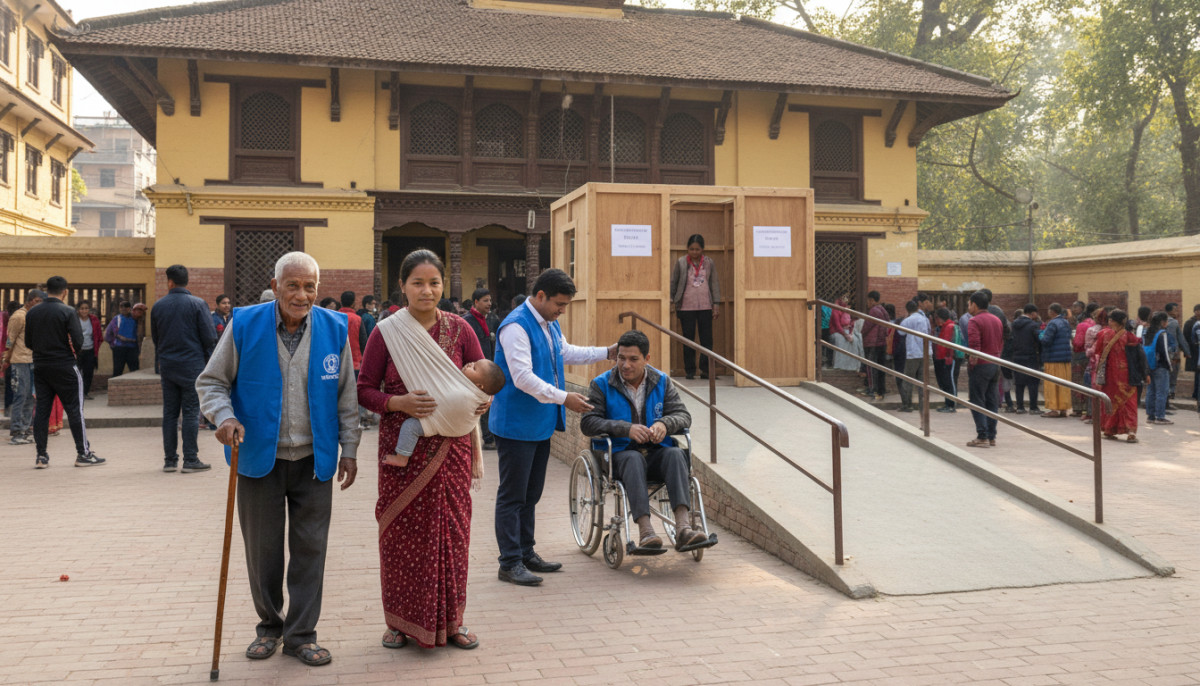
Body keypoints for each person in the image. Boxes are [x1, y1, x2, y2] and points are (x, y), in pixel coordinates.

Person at [196, 251, 360, 667]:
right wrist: (225, 416)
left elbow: (347, 397)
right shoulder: (245, 323)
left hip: (315, 459)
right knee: (263, 551)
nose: (301, 295)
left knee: (311, 551)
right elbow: (212, 381)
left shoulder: (334, 328)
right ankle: (269, 626)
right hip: (256, 457)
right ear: (275, 285)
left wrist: (351, 449)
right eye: (293, 285)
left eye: (309, 287)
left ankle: (301, 634)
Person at [355, 249, 488, 650]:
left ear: (443, 286)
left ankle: (453, 621)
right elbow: (364, 390)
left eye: (434, 283)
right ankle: (399, 622)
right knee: (401, 535)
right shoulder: (387, 331)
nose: (426, 291)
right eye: (418, 283)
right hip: (403, 452)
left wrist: (485, 401)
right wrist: (398, 404)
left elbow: (483, 380)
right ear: (402, 285)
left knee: (453, 533)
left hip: (453, 450)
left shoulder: (462, 330)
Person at [490, 268, 616, 586]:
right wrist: (563, 398)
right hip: (516, 424)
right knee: (513, 495)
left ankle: (526, 551)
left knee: (531, 493)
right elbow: (522, 377)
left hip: (539, 423)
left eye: (566, 306)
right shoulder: (516, 326)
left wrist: (607, 353)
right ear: (541, 295)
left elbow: (565, 352)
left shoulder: (549, 323)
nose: (562, 311)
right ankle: (509, 561)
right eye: (559, 304)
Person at [580, 329, 703, 550]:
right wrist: (624, 429)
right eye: (621, 358)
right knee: (633, 459)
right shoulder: (601, 384)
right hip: (618, 456)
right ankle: (646, 531)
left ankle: (683, 528)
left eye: (633, 359)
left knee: (676, 454)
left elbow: (683, 416)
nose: (625, 365)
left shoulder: (662, 381)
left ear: (647, 359)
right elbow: (588, 422)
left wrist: (664, 424)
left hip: (655, 453)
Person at [24, 277, 103, 469]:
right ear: (65, 291)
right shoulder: (67, 311)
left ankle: (41, 456)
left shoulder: (32, 312)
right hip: (65, 366)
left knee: (42, 411)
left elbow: (28, 342)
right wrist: (70, 355)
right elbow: (78, 340)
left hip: (41, 366)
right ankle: (83, 454)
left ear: (47, 290)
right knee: (75, 410)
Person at [151, 264, 218, 473]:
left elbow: (156, 338)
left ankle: (170, 460)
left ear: (170, 282)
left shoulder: (158, 306)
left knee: (170, 413)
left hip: (168, 366)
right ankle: (190, 459)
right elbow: (209, 337)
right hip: (192, 366)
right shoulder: (198, 304)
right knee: (190, 412)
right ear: (186, 281)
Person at [386, 358, 503, 466]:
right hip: (461, 429)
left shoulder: (467, 395)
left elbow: (444, 400)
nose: (470, 364)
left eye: (474, 368)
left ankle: (401, 458)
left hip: (443, 424)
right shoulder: (483, 394)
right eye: (474, 363)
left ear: (479, 386)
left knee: (410, 426)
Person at [670, 234, 721, 380]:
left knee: (706, 340)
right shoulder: (681, 262)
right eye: (691, 249)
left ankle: (706, 370)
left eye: (697, 249)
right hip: (686, 306)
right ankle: (690, 371)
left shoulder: (709, 262)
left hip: (705, 306)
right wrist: (673, 301)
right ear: (688, 249)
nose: (694, 252)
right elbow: (674, 282)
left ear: (702, 249)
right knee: (688, 339)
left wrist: (716, 304)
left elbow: (714, 283)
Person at [1092, 310, 1145, 442]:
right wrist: (1145, 373)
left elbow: (1097, 351)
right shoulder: (1130, 336)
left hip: (1109, 376)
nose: (1109, 322)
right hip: (1127, 375)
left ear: (1113, 321)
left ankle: (1110, 429)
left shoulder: (1103, 334)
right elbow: (1139, 356)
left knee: (1110, 402)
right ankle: (1131, 432)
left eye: (1110, 320)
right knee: (1129, 403)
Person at [2, 290, 44, 445]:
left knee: (30, 396)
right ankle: (16, 430)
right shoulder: (18, 316)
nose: (39, 304)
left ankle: (25, 428)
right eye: (38, 301)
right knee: (21, 394)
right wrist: (6, 360)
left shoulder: (35, 315)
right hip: (20, 360)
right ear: (31, 300)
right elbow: (10, 340)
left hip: (33, 359)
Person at [966, 291, 1003, 448]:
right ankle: (991, 435)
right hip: (995, 363)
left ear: (974, 304)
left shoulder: (974, 321)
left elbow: (975, 345)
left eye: (969, 304)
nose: (968, 307)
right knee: (991, 400)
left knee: (977, 400)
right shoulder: (997, 319)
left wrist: (972, 363)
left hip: (981, 364)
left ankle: (982, 436)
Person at [465, 287, 498, 449]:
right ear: (476, 302)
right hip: (472, 370)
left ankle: (489, 437)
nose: (489, 303)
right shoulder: (466, 321)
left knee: (487, 403)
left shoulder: (492, 320)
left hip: (489, 369)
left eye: (490, 300)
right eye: (485, 300)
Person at [1038, 303, 1073, 418]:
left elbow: (1046, 340)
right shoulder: (1065, 322)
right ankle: (1064, 408)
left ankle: (1054, 409)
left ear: (1052, 312)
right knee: (1063, 385)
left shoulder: (1052, 323)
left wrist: (1040, 335)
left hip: (1053, 358)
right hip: (1065, 358)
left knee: (1052, 384)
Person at [898, 300, 930, 413]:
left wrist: (905, 317)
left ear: (907, 310)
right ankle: (923, 405)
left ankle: (907, 405)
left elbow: (900, 332)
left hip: (913, 353)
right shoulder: (925, 319)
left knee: (908, 380)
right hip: (925, 353)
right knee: (923, 381)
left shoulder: (908, 320)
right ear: (917, 308)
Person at [1009, 304, 1042, 414]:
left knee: (1019, 383)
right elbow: (1039, 340)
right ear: (1032, 313)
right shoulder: (1033, 325)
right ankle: (1033, 407)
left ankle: (1020, 407)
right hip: (1031, 356)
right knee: (1033, 382)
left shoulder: (1014, 324)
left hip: (1017, 356)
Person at [1143, 311, 1173, 425]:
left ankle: (1150, 416)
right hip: (1161, 365)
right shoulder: (1162, 333)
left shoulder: (1147, 332)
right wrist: (1169, 366)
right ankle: (1160, 416)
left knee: (1151, 391)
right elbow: (1165, 352)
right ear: (1162, 322)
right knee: (1162, 391)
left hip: (1149, 365)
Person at [1070, 303, 1098, 416]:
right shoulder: (1097, 325)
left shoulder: (1082, 325)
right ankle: (1089, 408)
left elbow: (1078, 342)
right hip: (1092, 358)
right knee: (1090, 383)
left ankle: (1078, 409)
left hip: (1080, 356)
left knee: (1078, 382)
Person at [861, 291, 889, 400]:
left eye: (868, 300)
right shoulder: (883, 310)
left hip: (872, 343)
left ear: (872, 300)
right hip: (882, 342)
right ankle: (881, 390)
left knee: (870, 367)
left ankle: (872, 389)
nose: (867, 303)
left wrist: (861, 333)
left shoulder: (873, 311)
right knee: (880, 368)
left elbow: (866, 327)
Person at [74, 300, 102, 400]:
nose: (84, 311)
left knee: (88, 373)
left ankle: (85, 393)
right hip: (77, 351)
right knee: (75, 373)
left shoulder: (94, 320)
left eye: (86, 308)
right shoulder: (74, 320)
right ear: (78, 310)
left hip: (90, 350)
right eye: (82, 308)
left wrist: (96, 347)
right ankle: (75, 394)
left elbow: (99, 336)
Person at [932, 308, 959, 412]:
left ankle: (951, 405)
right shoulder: (946, 326)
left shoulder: (948, 327)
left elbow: (945, 344)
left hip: (947, 359)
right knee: (946, 382)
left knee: (949, 382)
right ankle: (948, 404)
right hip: (945, 359)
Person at [105, 301, 140, 377]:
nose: (123, 308)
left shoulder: (136, 319)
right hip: (119, 349)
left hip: (132, 349)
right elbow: (107, 334)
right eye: (121, 307)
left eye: (126, 306)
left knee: (135, 371)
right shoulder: (116, 319)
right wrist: (113, 345)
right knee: (117, 371)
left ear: (130, 308)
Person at [829, 294, 863, 372]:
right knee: (840, 340)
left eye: (847, 298)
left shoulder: (846, 309)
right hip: (836, 331)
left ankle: (852, 364)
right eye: (844, 298)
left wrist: (850, 333)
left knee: (856, 340)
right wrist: (845, 335)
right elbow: (837, 326)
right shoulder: (836, 309)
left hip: (847, 331)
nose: (845, 300)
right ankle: (840, 364)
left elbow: (850, 323)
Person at [1164, 303, 1187, 406]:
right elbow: (1180, 339)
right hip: (1174, 353)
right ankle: (1171, 392)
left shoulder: (1158, 321)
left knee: (1166, 374)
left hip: (1163, 353)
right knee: (1173, 373)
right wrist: (1187, 351)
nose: (1176, 312)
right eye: (1175, 310)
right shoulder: (1174, 323)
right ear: (1169, 312)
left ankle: (1167, 394)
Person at [1184, 304, 1200, 410]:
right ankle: (1196, 394)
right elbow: (1185, 338)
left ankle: (1196, 394)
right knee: (1197, 374)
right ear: (1196, 311)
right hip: (1194, 352)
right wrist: (1187, 351)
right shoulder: (1190, 323)